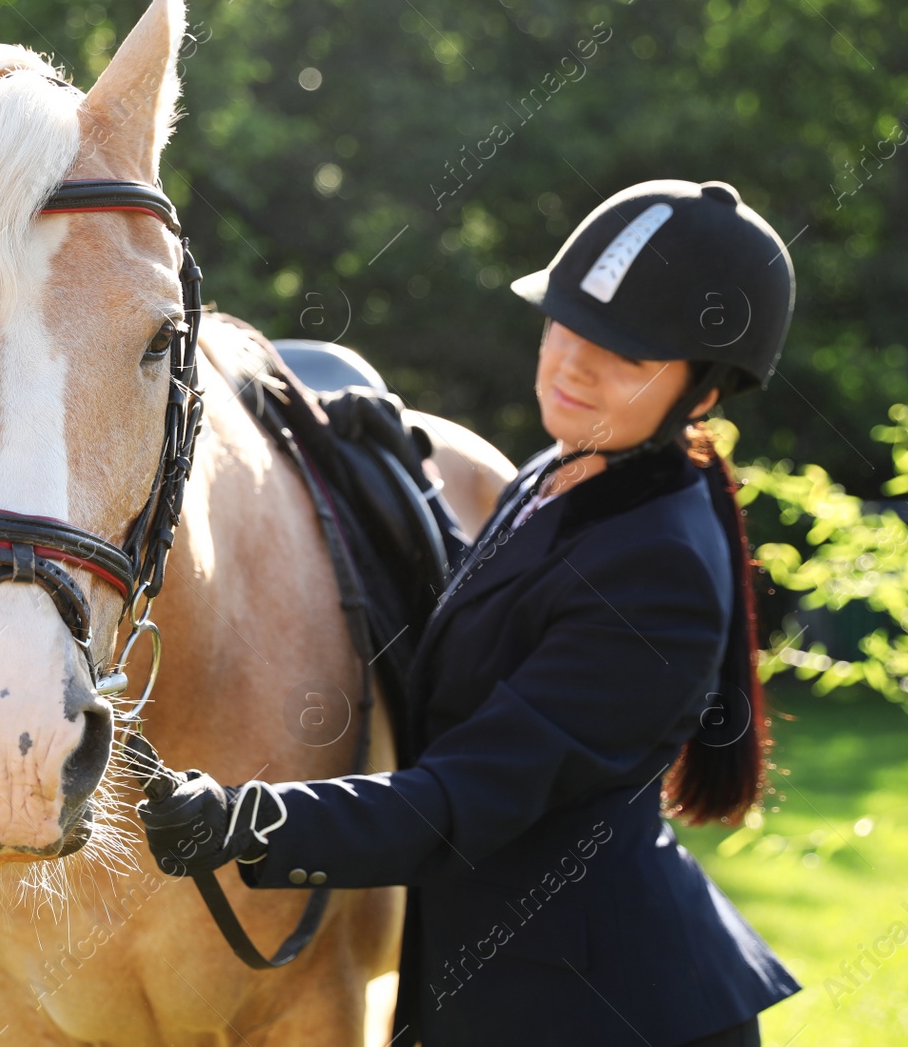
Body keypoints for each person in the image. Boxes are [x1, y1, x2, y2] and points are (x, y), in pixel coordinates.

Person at [139, 180, 803, 1047]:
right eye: (567, 324)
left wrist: (249, 818)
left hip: (604, 1014)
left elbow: (466, 798)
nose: (572, 364)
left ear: (704, 393)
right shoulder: (566, 471)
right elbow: (505, 617)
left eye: (625, 356)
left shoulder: (662, 569)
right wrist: (392, 465)